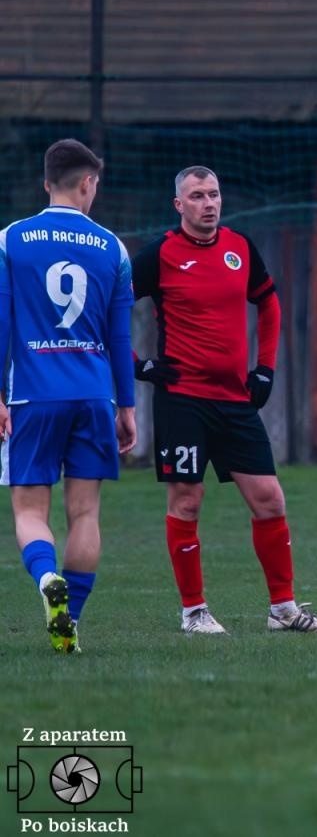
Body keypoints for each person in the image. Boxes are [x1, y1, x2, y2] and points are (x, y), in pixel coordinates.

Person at [133, 166, 317, 633]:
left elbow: (268, 303)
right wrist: (137, 365)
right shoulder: (159, 254)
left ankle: (283, 610)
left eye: (214, 194)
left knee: (269, 499)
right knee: (187, 501)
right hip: (182, 398)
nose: (209, 203)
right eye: (198, 196)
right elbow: (108, 307)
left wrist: (266, 367)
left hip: (234, 400)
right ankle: (194, 612)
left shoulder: (240, 248)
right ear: (178, 205)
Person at [0, 140, 136, 653]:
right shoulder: (113, 248)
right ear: (87, 183)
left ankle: (45, 581)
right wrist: (126, 407)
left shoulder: (11, 240)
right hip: (94, 395)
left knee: (30, 513)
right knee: (85, 514)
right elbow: (120, 339)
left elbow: (2, 323)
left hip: (34, 396)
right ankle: (69, 623)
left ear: (45, 183)